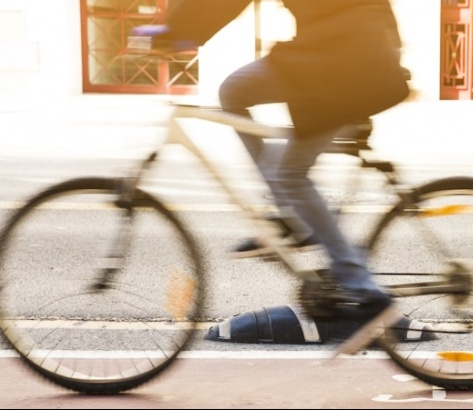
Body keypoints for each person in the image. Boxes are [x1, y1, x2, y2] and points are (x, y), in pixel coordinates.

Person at [133, 0, 409, 322]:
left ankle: (359, 284)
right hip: (342, 50)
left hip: (341, 59)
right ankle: (295, 219)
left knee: (289, 175)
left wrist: (173, 32)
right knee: (235, 93)